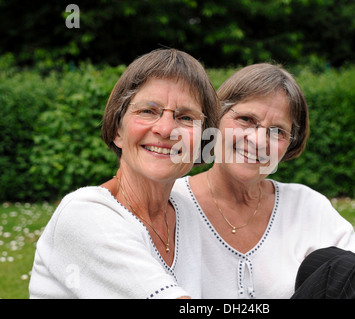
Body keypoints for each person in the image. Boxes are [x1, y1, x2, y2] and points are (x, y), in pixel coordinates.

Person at [172, 63, 355, 299]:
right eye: (246, 120)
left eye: (278, 131)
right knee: (340, 270)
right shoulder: (171, 200)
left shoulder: (305, 205)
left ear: (290, 145)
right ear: (215, 119)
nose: (259, 141)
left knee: (339, 266)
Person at [29, 48, 220, 298]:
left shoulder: (186, 212)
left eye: (185, 117)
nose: (165, 129)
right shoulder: (84, 214)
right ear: (118, 130)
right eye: (148, 111)